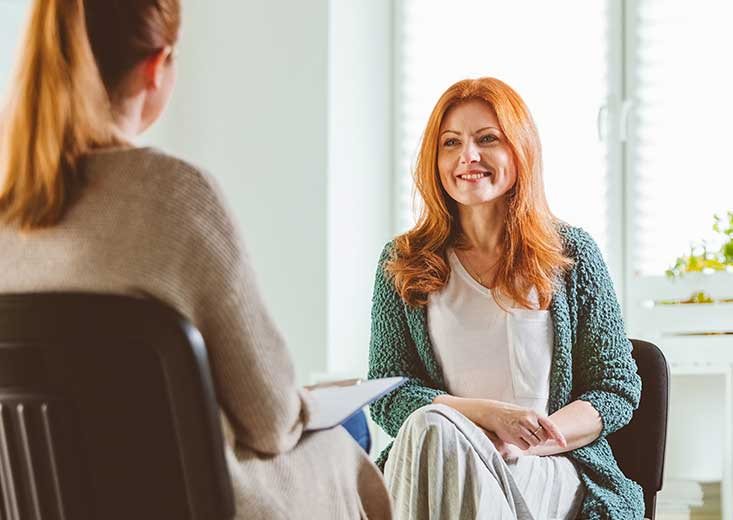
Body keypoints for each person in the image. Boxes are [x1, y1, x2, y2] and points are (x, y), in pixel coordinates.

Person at [0, 1, 390, 518]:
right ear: (156, 66)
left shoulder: (10, 207)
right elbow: (271, 420)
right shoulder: (176, 197)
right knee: (351, 430)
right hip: (189, 502)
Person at [368, 77, 643, 520]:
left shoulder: (571, 255)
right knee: (433, 431)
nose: (467, 157)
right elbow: (388, 392)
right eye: (451, 142)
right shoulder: (403, 260)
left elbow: (615, 390)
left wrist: (529, 438)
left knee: (438, 449)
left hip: (543, 465)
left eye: (487, 139)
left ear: (520, 150)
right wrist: (484, 418)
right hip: (436, 459)